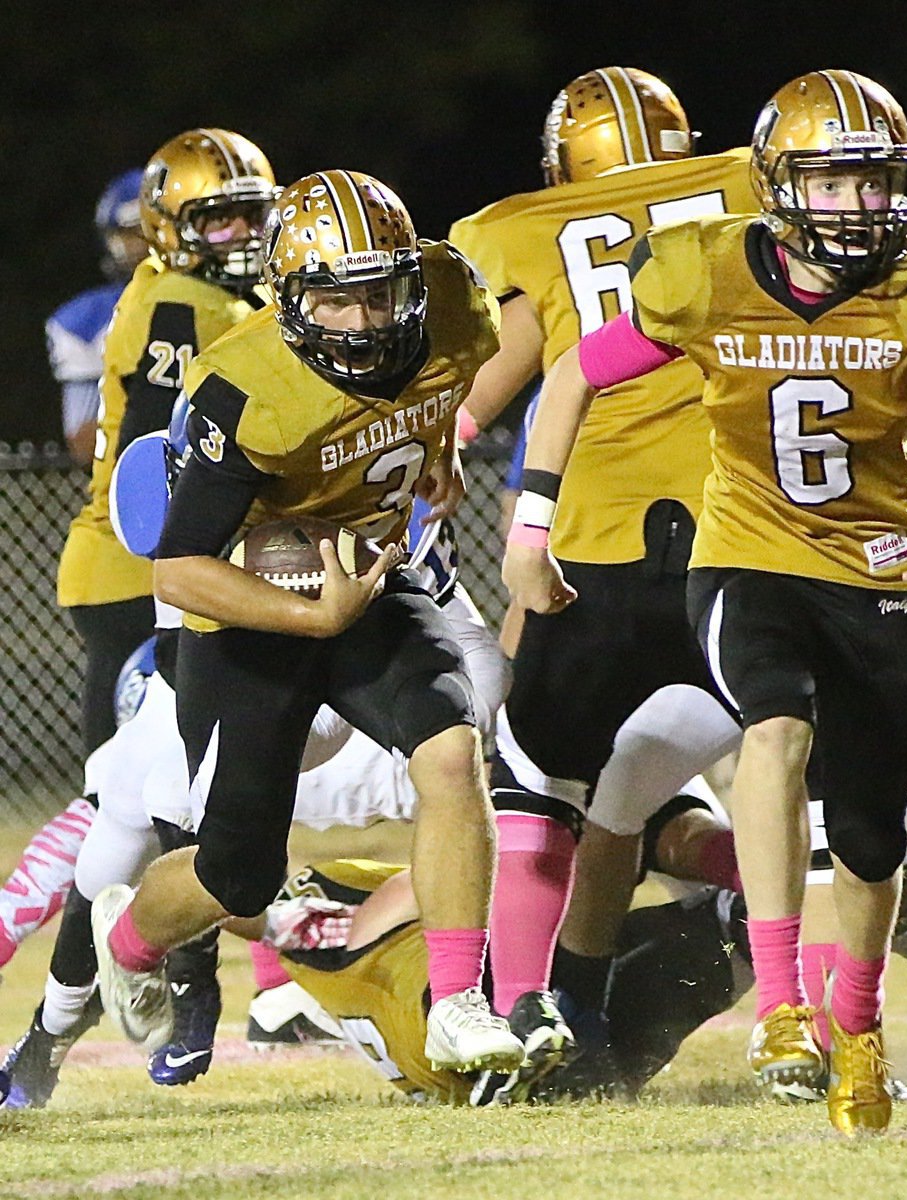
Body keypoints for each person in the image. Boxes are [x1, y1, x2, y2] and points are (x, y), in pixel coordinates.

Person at [504, 69, 907, 1136]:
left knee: (873, 838)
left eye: (876, 183)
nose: (860, 206)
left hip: (876, 574)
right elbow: (572, 377)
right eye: (833, 182)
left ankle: (859, 1027)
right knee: (774, 728)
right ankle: (782, 1007)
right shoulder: (702, 274)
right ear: (780, 186)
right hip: (746, 553)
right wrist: (529, 524)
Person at [89, 169, 525, 1081]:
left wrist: (435, 449)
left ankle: (457, 1002)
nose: (364, 322)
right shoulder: (242, 389)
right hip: (253, 611)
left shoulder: (452, 300)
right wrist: (307, 612)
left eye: (380, 294)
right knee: (235, 877)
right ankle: (128, 941)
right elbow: (178, 569)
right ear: (291, 302)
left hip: (369, 575)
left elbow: (449, 376)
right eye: (336, 302)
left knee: (451, 747)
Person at [448, 65, 759, 1090]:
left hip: (595, 542)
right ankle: (881, 1020)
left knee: (540, 785)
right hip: (749, 532)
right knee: (810, 777)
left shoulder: (520, 229)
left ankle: (525, 1027)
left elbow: (484, 391)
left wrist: (429, 444)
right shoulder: (748, 184)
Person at [56, 130, 277, 758]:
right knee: (136, 791)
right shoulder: (182, 305)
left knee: (160, 790)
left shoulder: (203, 294)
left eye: (251, 215)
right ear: (170, 229)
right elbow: (154, 461)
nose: (240, 234)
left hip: (156, 569)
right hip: (141, 569)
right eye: (217, 219)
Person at [45, 168, 149, 465]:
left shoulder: (223, 300)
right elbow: (86, 443)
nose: (143, 243)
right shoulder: (86, 322)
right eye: (132, 232)